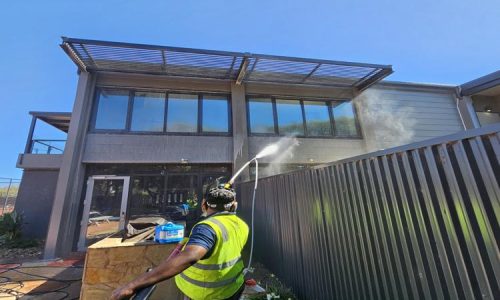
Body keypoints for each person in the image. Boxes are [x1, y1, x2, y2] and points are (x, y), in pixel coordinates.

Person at [111, 186, 249, 300]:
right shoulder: (241, 224)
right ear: (234, 206)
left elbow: (190, 256)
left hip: (206, 295)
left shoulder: (207, 228)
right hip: (233, 288)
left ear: (203, 205)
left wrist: (132, 285)